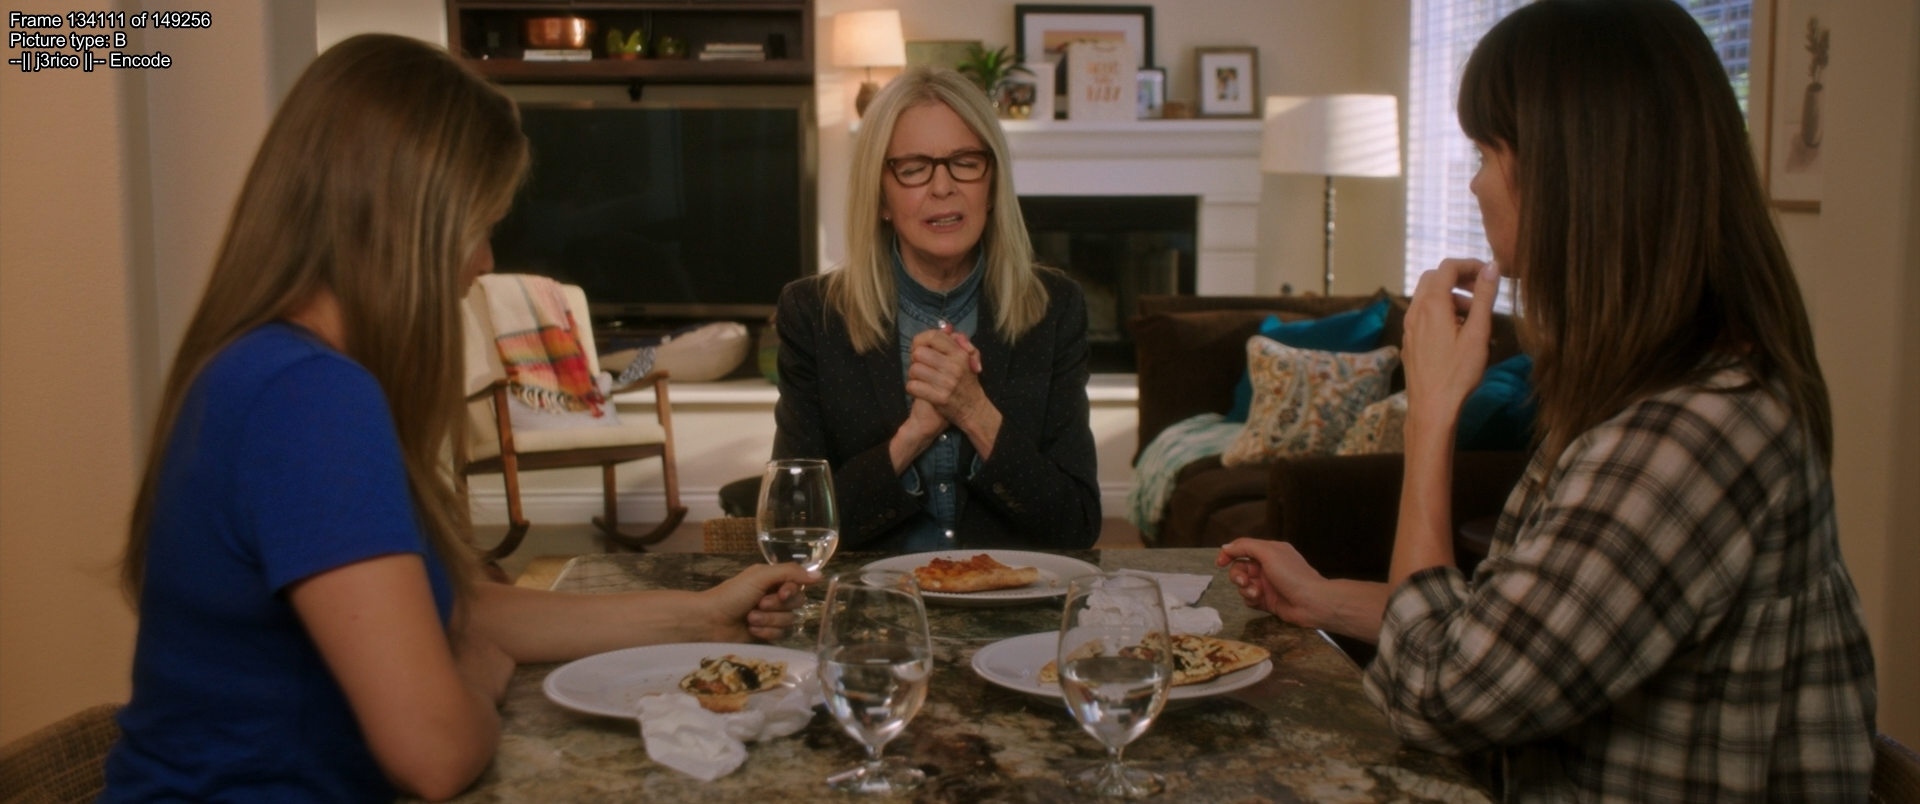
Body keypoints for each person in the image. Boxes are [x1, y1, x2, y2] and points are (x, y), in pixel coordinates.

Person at [102, 35, 813, 803]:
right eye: (479, 226)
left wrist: (702, 616)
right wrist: (473, 671)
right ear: (405, 224)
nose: (483, 262)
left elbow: (458, 608)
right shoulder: (310, 398)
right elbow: (435, 753)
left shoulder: (264, 368)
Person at [1218, 1, 1877, 800]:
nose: (1473, 182)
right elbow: (1515, 634)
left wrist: (1431, 415)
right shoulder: (1645, 391)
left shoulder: (1689, 435)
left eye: (1487, 152)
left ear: (1573, 172)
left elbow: (1436, 696)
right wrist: (1324, 599)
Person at [772, 66, 1100, 552]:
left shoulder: (1056, 307)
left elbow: (1077, 525)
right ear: (880, 196)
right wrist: (914, 435)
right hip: (871, 595)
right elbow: (795, 527)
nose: (943, 187)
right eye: (913, 168)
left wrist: (973, 410)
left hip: (1009, 589)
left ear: (992, 184)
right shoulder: (813, 314)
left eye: (965, 162)